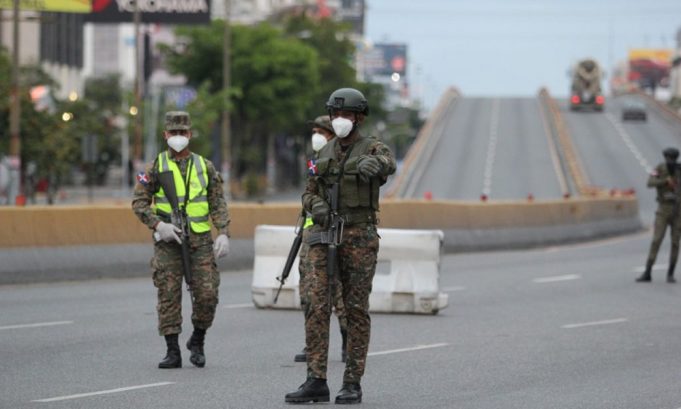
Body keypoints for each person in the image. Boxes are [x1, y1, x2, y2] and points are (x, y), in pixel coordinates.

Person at [285, 88, 396, 404]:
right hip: (324, 235)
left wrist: (376, 165)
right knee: (316, 304)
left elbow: (388, 163)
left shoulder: (372, 147)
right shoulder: (321, 154)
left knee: (355, 309)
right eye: (335, 115)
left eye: (346, 115)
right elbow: (307, 192)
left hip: (359, 236)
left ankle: (352, 382)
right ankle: (316, 379)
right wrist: (316, 206)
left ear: (359, 117)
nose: (340, 120)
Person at [132, 111, 231, 368]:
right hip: (169, 241)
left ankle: (197, 339)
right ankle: (172, 350)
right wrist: (159, 224)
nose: (178, 137)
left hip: (200, 241)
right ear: (165, 135)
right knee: (168, 294)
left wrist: (223, 232)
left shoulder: (204, 166)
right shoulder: (155, 167)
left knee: (207, 294)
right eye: (173, 133)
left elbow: (217, 201)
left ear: (190, 134)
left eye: (183, 133)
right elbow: (139, 203)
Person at [295, 115, 348, 364]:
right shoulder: (315, 162)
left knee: (341, 293)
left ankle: (349, 341)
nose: (316, 136)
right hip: (312, 235)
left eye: (321, 131)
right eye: (314, 131)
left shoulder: (343, 159)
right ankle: (312, 344)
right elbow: (308, 194)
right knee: (309, 292)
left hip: (338, 234)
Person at [637, 147, 681, 283]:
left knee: (675, 242)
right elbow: (650, 183)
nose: (670, 161)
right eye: (668, 158)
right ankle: (648, 271)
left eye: (672, 159)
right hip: (663, 208)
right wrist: (664, 181)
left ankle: (671, 273)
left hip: (678, 210)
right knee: (657, 240)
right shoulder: (660, 168)